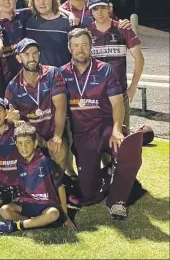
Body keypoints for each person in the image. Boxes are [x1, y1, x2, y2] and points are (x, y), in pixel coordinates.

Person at [60, 28, 142, 219]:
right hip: (82, 136)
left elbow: (117, 103)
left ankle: (117, 201)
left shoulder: (105, 69)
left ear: (91, 47)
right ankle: (108, 173)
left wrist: (116, 129)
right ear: (69, 48)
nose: (81, 49)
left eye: (85, 45)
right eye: (76, 46)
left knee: (127, 148)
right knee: (88, 194)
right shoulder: (61, 74)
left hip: (105, 129)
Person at [0, 123, 76, 234]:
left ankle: (15, 226)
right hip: (27, 205)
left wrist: (65, 215)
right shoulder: (18, 164)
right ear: (16, 144)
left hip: (46, 206)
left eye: (27, 143)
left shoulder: (46, 162)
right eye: (20, 143)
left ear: (35, 143)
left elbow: (60, 187)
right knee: (4, 210)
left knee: (53, 213)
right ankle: (34, 223)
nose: (23, 147)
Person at [5, 38, 70, 171]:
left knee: (59, 153)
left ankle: (60, 187)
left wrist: (57, 136)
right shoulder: (13, 86)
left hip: (54, 132)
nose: (32, 58)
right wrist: (12, 119)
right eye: (27, 54)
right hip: (32, 138)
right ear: (18, 58)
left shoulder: (53, 73)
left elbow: (61, 108)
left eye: (35, 53)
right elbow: (11, 119)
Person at [87, 0, 144, 132]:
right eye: (95, 9)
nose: (99, 12)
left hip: (120, 93)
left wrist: (133, 86)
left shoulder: (122, 29)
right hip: (95, 96)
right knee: (99, 140)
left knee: (123, 141)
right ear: (91, 11)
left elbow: (139, 58)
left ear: (109, 8)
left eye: (102, 8)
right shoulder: (86, 33)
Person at [25, 0, 72, 68]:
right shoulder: (29, 22)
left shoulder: (66, 22)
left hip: (61, 76)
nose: (41, 3)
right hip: (38, 77)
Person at [0, 0, 32, 84]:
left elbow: (49, 7)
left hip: (26, 79)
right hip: (3, 80)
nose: (7, 2)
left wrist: (70, 14)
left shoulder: (24, 15)